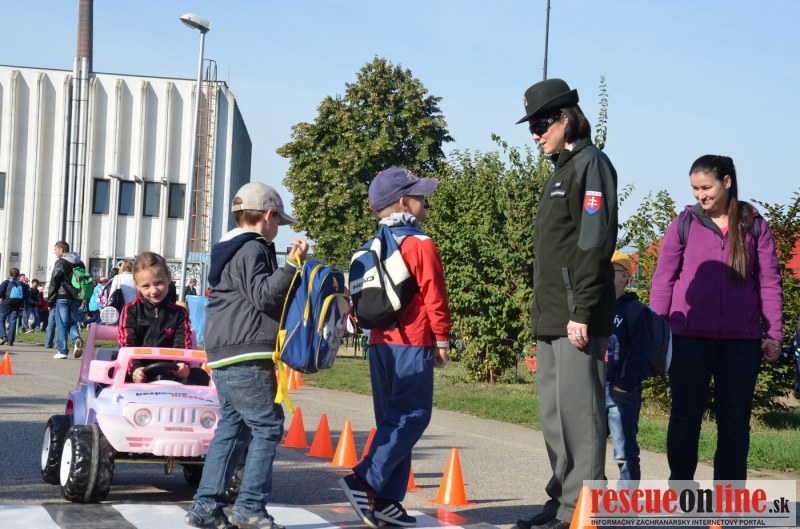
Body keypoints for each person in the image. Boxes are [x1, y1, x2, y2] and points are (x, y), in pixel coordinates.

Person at [514, 78, 618, 529]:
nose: (535, 135)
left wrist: (582, 311)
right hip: (552, 316)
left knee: (581, 417)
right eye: (531, 128)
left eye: (540, 125)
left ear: (564, 119)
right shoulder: (560, 169)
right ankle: (561, 504)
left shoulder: (591, 164)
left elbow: (594, 243)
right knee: (555, 419)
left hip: (578, 316)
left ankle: (584, 509)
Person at [650, 154, 782, 481]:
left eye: (706, 187)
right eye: (695, 189)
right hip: (688, 339)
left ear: (726, 182)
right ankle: (682, 491)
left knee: (734, 423)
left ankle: (729, 498)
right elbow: (664, 279)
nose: (700, 195)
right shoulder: (684, 224)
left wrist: (774, 334)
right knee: (685, 419)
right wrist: (657, 330)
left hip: (741, 344)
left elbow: (769, 282)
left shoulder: (754, 225)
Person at [185, 182, 308, 529]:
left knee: (233, 428)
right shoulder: (253, 248)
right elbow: (264, 295)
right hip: (247, 352)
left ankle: (206, 507)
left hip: (224, 352)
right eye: (278, 221)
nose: (278, 228)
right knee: (268, 426)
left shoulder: (229, 248)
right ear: (267, 215)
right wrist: (291, 265)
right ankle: (250, 507)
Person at [338, 167, 451, 529]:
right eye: (420, 196)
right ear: (404, 203)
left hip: (379, 344)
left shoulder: (370, 246)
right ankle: (364, 479)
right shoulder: (420, 244)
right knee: (413, 416)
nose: (424, 201)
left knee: (393, 421)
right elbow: (435, 296)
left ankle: (386, 501)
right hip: (411, 342)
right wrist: (441, 340)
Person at [118, 252, 209, 386]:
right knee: (112, 374)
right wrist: (135, 368)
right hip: (139, 372)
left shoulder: (179, 313)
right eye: (146, 286)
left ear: (168, 278)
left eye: (159, 283)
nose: (154, 290)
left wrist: (182, 363)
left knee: (200, 375)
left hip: (171, 372)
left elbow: (182, 343)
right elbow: (127, 343)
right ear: (137, 285)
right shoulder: (131, 310)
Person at [606, 251, 652, 481]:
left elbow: (642, 353)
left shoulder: (635, 310)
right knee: (590, 450)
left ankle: (626, 499)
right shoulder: (593, 308)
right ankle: (594, 496)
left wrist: (623, 384)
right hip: (595, 387)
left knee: (624, 454)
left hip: (622, 391)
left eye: (609, 269)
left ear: (625, 276)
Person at [47, 241, 86, 360]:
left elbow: (55, 281)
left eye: (56, 249)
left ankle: (62, 351)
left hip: (62, 296)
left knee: (61, 324)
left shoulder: (61, 262)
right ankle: (76, 339)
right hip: (76, 297)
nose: (55, 252)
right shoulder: (80, 262)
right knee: (71, 322)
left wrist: (50, 300)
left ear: (62, 249)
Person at [0, 268, 29, 346]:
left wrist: (4, 296)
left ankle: (3, 336)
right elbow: (27, 294)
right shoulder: (22, 284)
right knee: (13, 322)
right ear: (18, 275)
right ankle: (10, 341)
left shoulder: (6, 282)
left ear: (10, 274)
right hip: (17, 304)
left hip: (6, 303)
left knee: (1, 319)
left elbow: (0, 293)